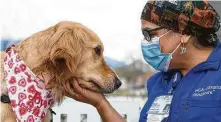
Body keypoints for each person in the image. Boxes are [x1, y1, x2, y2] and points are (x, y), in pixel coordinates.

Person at [65, 1, 221, 122]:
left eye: (150, 34)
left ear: (185, 33)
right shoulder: (158, 83)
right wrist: (100, 103)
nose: (146, 43)